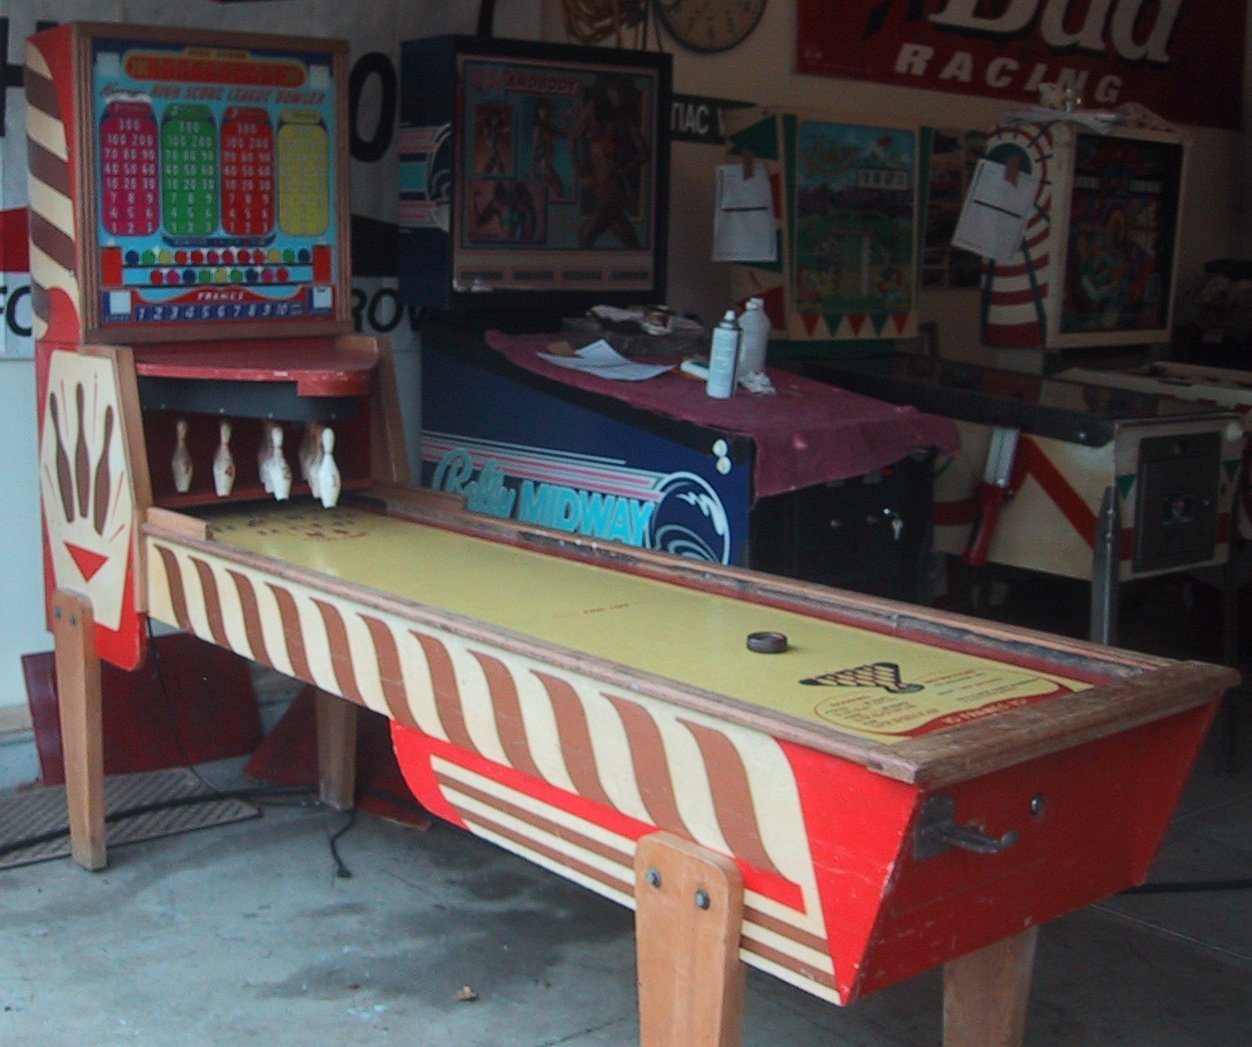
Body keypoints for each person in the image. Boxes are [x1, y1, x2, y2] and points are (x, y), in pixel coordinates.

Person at [572, 74, 647, 249]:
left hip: (614, 189)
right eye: (613, 89)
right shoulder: (592, 110)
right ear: (604, 90)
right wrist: (578, 168)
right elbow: (573, 138)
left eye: (621, 90)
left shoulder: (625, 120)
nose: (617, 94)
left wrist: (625, 168)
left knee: (585, 236)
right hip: (599, 188)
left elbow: (645, 152)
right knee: (631, 243)